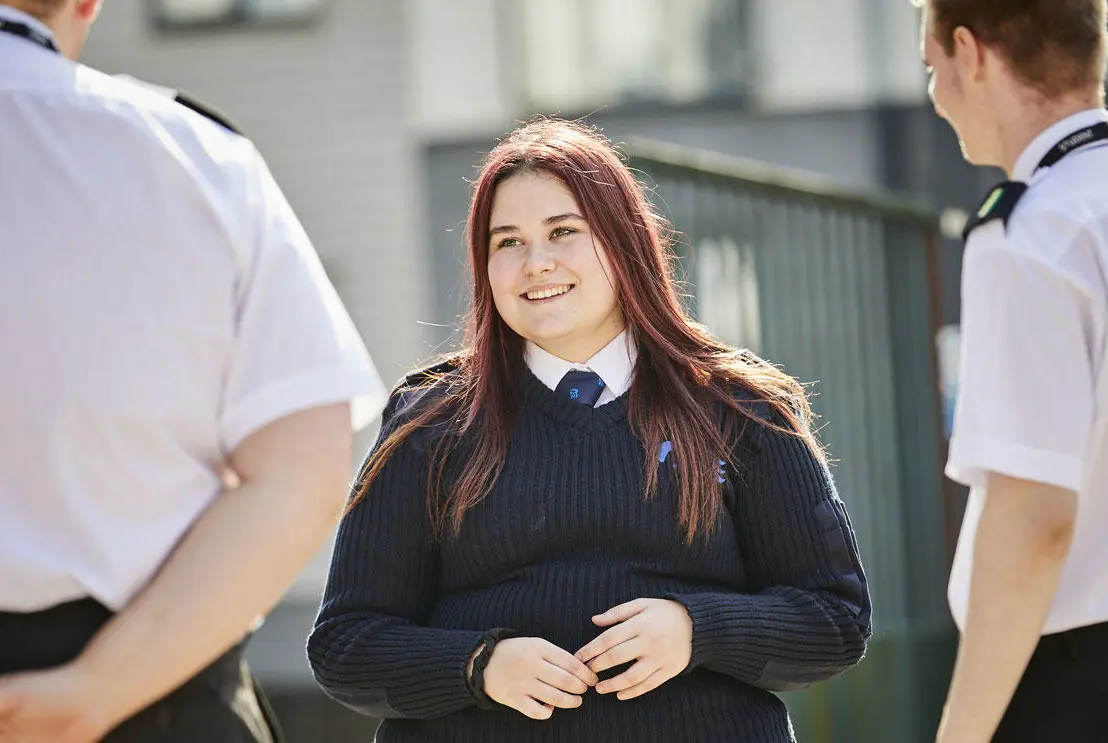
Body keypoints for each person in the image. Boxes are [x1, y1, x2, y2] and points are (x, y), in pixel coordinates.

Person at [0, 1, 386, 742]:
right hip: (153, 702)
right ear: (88, 2)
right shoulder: (197, 154)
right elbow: (303, 474)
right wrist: (95, 692)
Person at [306, 118, 872, 743]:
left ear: (624, 243)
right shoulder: (431, 423)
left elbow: (834, 620)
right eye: (508, 242)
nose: (536, 263)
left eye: (563, 232)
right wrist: (478, 666)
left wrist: (698, 630)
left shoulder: (741, 409)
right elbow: (347, 645)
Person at [919, 1, 1108, 741]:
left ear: (971, 52)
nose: (935, 94)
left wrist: (963, 732)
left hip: (1084, 684)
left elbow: (1034, 520)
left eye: (933, 68)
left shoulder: (1028, 237)